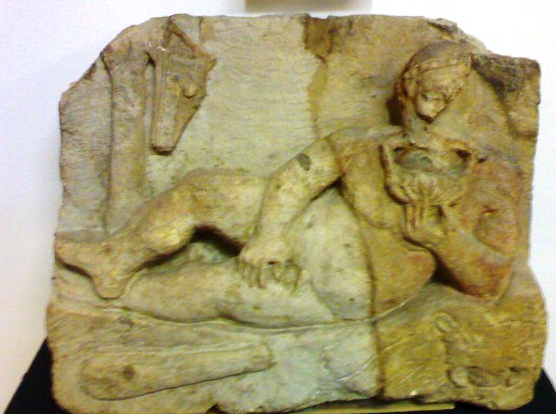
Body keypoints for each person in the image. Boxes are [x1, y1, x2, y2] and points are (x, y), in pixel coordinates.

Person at [55, 41, 522, 326]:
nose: (434, 112)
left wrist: (442, 239)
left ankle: (109, 302)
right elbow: (297, 178)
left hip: (354, 284)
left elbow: (492, 282)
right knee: (202, 189)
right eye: (429, 95)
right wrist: (269, 235)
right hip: (313, 225)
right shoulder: (361, 143)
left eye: (450, 99)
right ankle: (114, 260)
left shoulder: (491, 174)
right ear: (406, 91)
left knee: (217, 289)